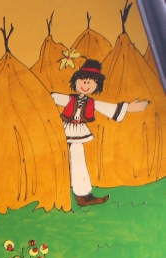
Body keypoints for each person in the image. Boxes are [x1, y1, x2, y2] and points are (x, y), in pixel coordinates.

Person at [51, 58, 148, 207]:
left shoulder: (91, 103)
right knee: (61, 160)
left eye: (90, 82)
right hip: (62, 131)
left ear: (96, 85)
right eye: (83, 80)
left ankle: (82, 195)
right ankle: (68, 193)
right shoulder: (69, 99)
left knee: (78, 161)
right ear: (76, 81)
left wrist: (128, 108)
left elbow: (107, 108)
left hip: (77, 134)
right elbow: (51, 97)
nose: (86, 84)